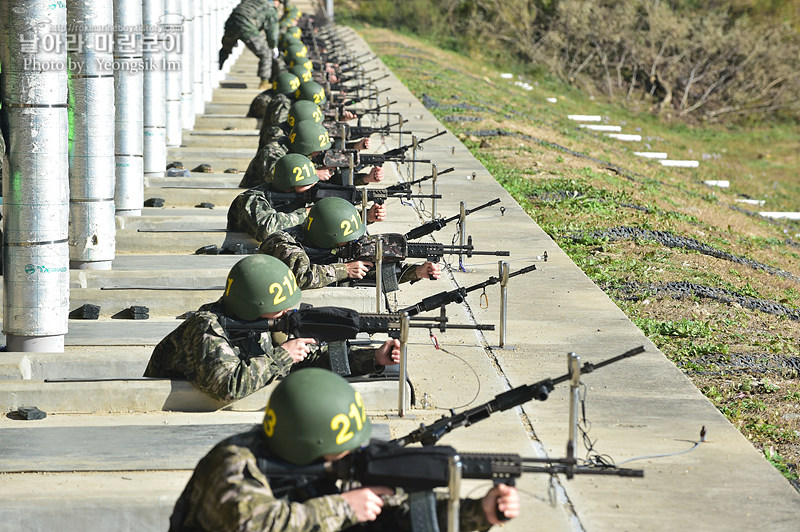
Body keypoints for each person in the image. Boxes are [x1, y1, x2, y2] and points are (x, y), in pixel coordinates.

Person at [168, 368, 520, 531]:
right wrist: (342, 506)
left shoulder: (330, 466)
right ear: (311, 444)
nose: (354, 451)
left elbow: (400, 514)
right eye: (343, 447)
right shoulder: (235, 465)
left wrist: (479, 512)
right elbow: (255, 524)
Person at [143, 255, 400, 402]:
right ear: (254, 305)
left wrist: (373, 357)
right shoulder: (207, 329)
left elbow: (308, 360)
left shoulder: (266, 323)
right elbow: (227, 387)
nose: (288, 312)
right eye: (281, 307)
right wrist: (282, 355)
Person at [259, 197, 440, 290]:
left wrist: (416, 272)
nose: (354, 242)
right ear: (329, 237)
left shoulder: (330, 246)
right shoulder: (284, 243)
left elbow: (370, 271)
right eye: (347, 239)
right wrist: (344, 269)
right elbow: (302, 277)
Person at [227, 153, 386, 242]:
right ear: (288, 185)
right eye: (306, 184)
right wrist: (309, 212)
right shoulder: (252, 199)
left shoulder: (296, 197)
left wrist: (366, 216)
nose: (312, 188)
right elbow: (267, 230)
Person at [219, 0, 281, 90]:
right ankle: (264, 82)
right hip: (247, 27)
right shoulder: (270, 8)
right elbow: (272, 32)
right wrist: (273, 46)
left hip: (231, 24)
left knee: (225, 50)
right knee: (266, 53)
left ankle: (214, 72)